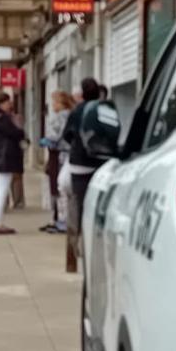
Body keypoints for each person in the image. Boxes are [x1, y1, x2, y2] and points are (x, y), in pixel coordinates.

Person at [62, 78, 104, 246]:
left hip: (80, 163)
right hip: (101, 163)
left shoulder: (77, 111)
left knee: (78, 203)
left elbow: (67, 135)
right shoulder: (103, 109)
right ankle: (94, 239)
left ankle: (77, 243)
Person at [0, 92, 25, 235]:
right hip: (5, 158)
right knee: (2, 189)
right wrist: (18, 124)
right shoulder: (2, 119)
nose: (10, 105)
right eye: (8, 102)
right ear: (1, 103)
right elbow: (17, 133)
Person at [41, 90, 74, 233]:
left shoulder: (62, 116)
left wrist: (47, 140)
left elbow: (55, 135)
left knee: (58, 187)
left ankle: (61, 219)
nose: (53, 105)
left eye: (55, 102)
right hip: (63, 153)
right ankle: (59, 218)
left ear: (62, 104)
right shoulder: (69, 115)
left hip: (59, 154)